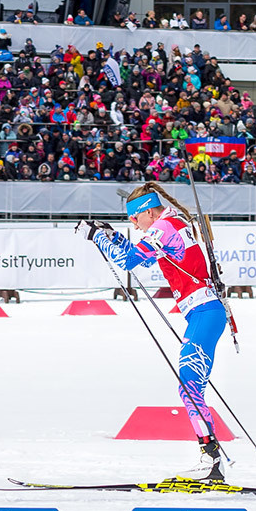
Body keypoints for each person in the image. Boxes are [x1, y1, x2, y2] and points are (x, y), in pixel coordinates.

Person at [89, 184, 232, 480]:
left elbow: (128, 262)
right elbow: (144, 255)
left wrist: (97, 238)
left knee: (189, 387)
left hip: (205, 313)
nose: (133, 223)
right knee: (190, 388)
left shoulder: (164, 225)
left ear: (150, 211)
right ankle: (210, 458)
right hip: (202, 314)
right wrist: (112, 236)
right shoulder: (171, 223)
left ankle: (211, 461)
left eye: (135, 217)